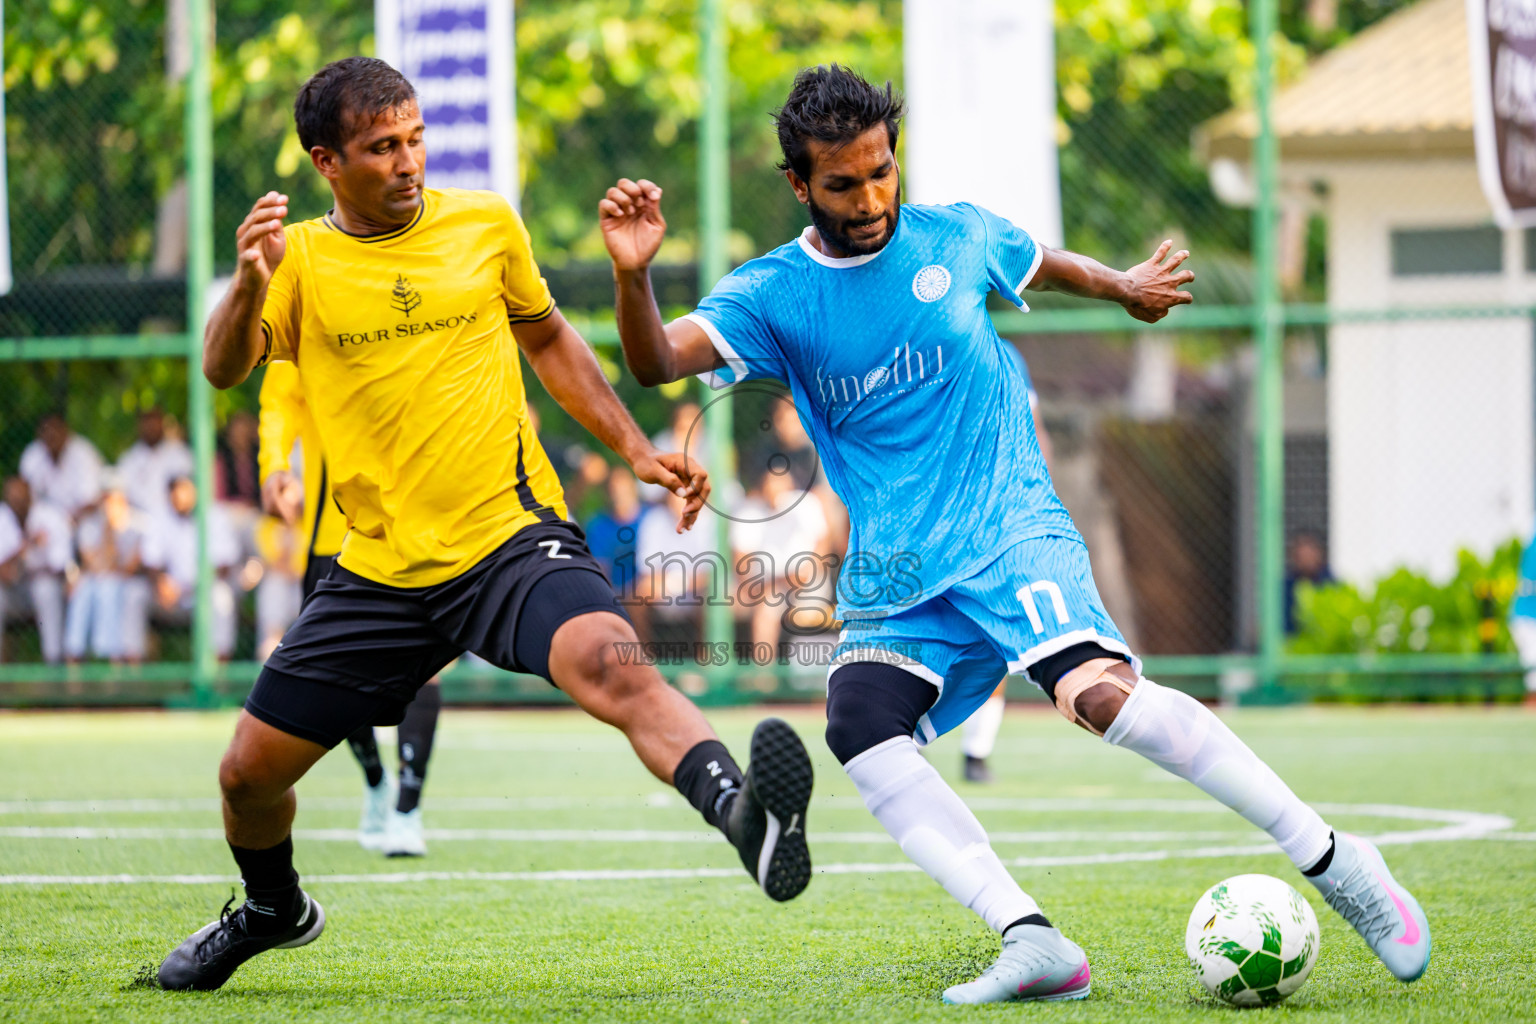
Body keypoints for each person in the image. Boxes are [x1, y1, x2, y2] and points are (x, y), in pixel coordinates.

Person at [600, 64, 1430, 1003]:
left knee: (1102, 699)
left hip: (1008, 525)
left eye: (882, 171)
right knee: (861, 725)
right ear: (800, 184)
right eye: (844, 182)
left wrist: (1122, 286)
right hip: (899, 564)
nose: (871, 197)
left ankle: (1336, 861)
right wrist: (634, 275)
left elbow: (1037, 260)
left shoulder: (955, 231)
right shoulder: (773, 293)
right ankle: (1030, 938)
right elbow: (656, 359)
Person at [156, 57, 813, 993]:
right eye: (383, 148)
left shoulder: (485, 222)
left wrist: (631, 447)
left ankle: (744, 816)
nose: (408, 161)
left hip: (510, 539)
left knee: (609, 660)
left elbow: (547, 338)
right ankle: (273, 911)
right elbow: (225, 369)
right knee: (247, 779)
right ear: (326, 161)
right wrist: (249, 281)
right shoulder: (296, 259)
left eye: (416, 139)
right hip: (377, 569)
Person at [258, 357, 443, 857]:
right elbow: (278, 402)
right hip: (331, 542)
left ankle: (408, 809)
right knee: (337, 680)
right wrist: (274, 465)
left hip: (417, 529)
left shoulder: (418, 308)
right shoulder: (311, 313)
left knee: (426, 670)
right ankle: (377, 781)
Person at [958, 345, 1054, 784]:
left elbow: (1033, 431)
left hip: (995, 521)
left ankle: (976, 752)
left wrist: (1042, 500)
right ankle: (898, 741)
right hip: (924, 520)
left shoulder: (1007, 356)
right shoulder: (913, 337)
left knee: (995, 638)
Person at [133, 475, 240, 660]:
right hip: (169, 597)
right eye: (176, 492)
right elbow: (150, 560)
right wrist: (161, 582)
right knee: (134, 594)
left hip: (203, 591)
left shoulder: (215, 515)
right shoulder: (160, 516)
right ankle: (130, 668)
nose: (180, 497)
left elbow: (224, 565)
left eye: (185, 491)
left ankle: (218, 671)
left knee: (221, 597)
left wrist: (193, 585)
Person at [65, 479, 146, 662]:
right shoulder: (90, 524)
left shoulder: (139, 524)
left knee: (108, 589)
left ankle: (111, 659)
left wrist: (111, 531)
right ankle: (74, 655)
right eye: (105, 499)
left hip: (128, 581)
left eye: (114, 499)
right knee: (83, 590)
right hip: (98, 579)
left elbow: (128, 568)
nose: (109, 504)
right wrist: (107, 530)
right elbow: (93, 564)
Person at [0, 477, 70, 663]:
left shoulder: (50, 517)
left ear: (30, 498)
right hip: (15, 592)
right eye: (13, 500)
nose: (17, 504)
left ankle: (53, 660)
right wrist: (25, 547)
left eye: (21, 499)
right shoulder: (3, 519)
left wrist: (26, 567)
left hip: (46, 588)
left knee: (45, 589)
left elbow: (60, 566)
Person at [19, 413, 103, 521]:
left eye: (55, 430)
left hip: (82, 518)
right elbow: (26, 498)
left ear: (66, 432)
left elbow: (90, 501)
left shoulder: (83, 454)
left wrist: (67, 522)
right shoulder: (32, 456)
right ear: (39, 434)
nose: (51, 434)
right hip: (46, 521)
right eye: (46, 431)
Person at [116, 408, 194, 519]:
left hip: (176, 522)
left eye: (154, 419)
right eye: (147, 420)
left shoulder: (180, 454)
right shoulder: (128, 461)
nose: (151, 425)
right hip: (139, 526)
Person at [1284, 530, 1334, 634]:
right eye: (1301, 556)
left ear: (1318, 554)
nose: (1305, 560)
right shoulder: (1286, 587)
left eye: (1309, 554)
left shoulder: (1330, 584)